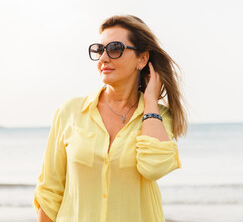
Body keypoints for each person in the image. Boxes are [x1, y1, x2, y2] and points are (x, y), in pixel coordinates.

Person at [33, 15, 188, 222]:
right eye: (99, 50)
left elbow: (154, 167)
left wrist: (150, 101)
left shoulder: (158, 117)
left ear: (142, 59)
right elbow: (49, 192)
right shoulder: (70, 112)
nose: (104, 58)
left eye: (115, 49)